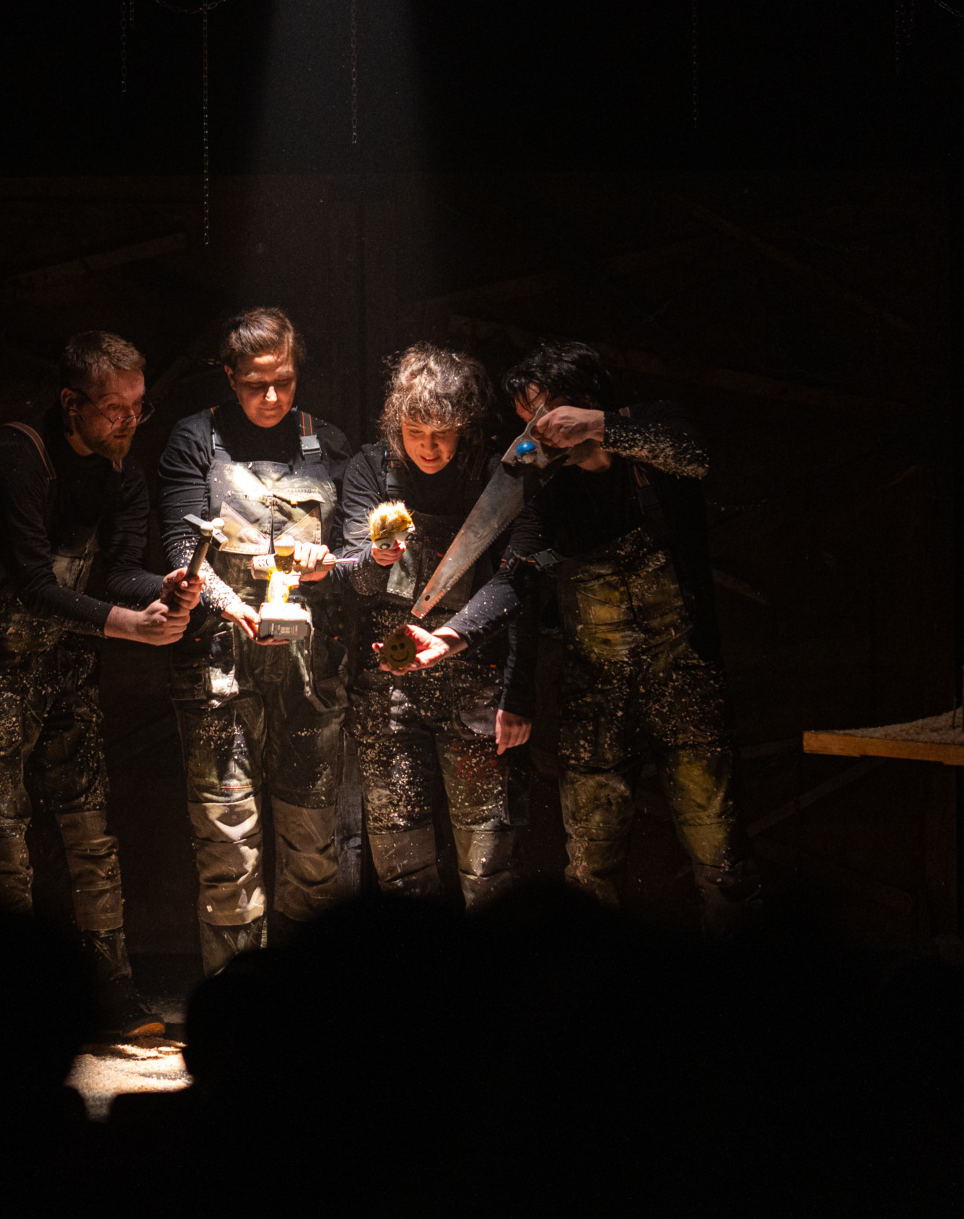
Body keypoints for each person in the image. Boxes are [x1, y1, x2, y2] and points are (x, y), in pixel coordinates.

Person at [0, 331, 202, 1035]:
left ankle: (112, 990)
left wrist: (163, 588)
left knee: (90, 828)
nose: (130, 421)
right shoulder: (14, 459)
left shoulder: (123, 471)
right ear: (71, 402)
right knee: (0, 843)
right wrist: (131, 626)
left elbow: (118, 572)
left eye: (137, 406)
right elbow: (34, 585)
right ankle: (9, 1006)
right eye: (113, 408)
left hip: (65, 664)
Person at [500, 340, 761, 929]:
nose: (538, 432)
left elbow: (694, 456)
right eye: (527, 422)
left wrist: (599, 427)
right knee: (589, 873)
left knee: (723, 860)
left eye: (544, 414)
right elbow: (516, 579)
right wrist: (465, 640)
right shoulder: (546, 486)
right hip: (593, 696)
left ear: (583, 400)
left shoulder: (655, 430)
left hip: (684, 681)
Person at [157, 307, 357, 972]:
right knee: (228, 848)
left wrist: (331, 562)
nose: (271, 397)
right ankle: (235, 1002)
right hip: (220, 668)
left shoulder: (328, 442)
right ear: (229, 376)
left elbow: (357, 553)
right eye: (254, 384)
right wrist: (232, 605)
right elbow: (181, 547)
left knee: (313, 845)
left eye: (284, 381)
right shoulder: (196, 438)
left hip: (310, 673)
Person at [333, 343, 534, 909]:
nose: (429, 446)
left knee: (489, 862)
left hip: (477, 682)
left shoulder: (497, 475)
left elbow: (521, 586)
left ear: (466, 426)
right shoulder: (372, 468)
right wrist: (375, 560)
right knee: (400, 869)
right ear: (396, 422)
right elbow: (356, 583)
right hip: (389, 687)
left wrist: (518, 691)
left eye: (443, 433)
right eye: (415, 431)